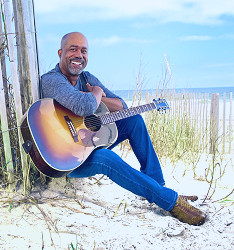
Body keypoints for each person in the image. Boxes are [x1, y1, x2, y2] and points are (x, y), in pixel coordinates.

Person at [41, 32, 206, 226]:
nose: (79, 54)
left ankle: (156, 185)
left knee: (134, 120)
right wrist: (95, 92)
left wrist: (98, 97)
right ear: (60, 52)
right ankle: (169, 201)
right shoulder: (52, 79)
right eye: (73, 49)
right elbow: (83, 106)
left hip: (86, 146)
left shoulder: (87, 77)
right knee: (106, 158)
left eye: (83, 51)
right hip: (64, 159)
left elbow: (121, 106)